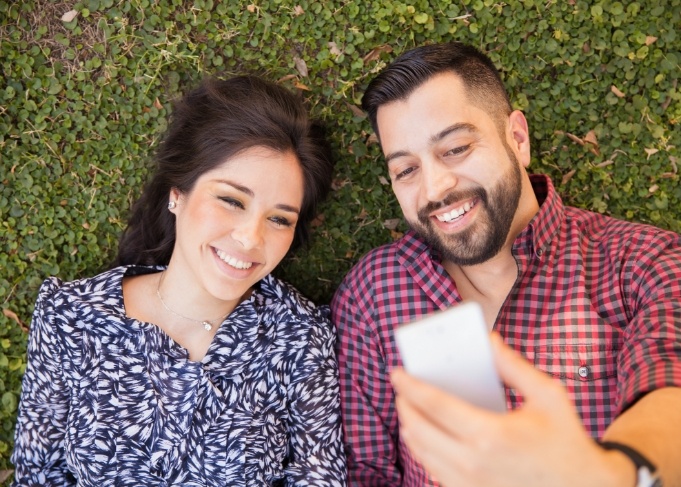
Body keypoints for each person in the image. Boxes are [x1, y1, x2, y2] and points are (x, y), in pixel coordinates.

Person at [331, 42, 681, 486]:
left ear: (517, 138)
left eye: (455, 148)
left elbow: (671, 390)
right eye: (406, 170)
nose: (435, 188)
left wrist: (614, 472)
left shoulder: (643, 262)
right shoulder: (373, 292)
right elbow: (368, 472)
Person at [12, 76, 347, 486]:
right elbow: (38, 475)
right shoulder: (70, 317)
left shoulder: (300, 339)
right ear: (177, 193)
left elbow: (320, 478)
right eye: (231, 200)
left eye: (279, 219)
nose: (250, 238)